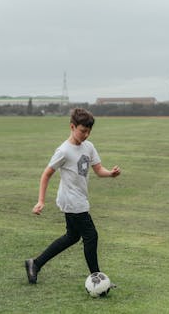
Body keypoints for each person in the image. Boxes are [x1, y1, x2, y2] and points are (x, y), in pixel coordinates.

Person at [25, 108, 121, 284]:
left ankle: (35, 263)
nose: (86, 135)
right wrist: (40, 201)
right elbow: (46, 174)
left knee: (72, 236)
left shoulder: (89, 147)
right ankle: (97, 279)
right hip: (71, 199)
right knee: (91, 236)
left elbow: (99, 170)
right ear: (72, 126)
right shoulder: (63, 151)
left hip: (80, 197)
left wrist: (111, 174)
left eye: (89, 131)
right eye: (83, 131)